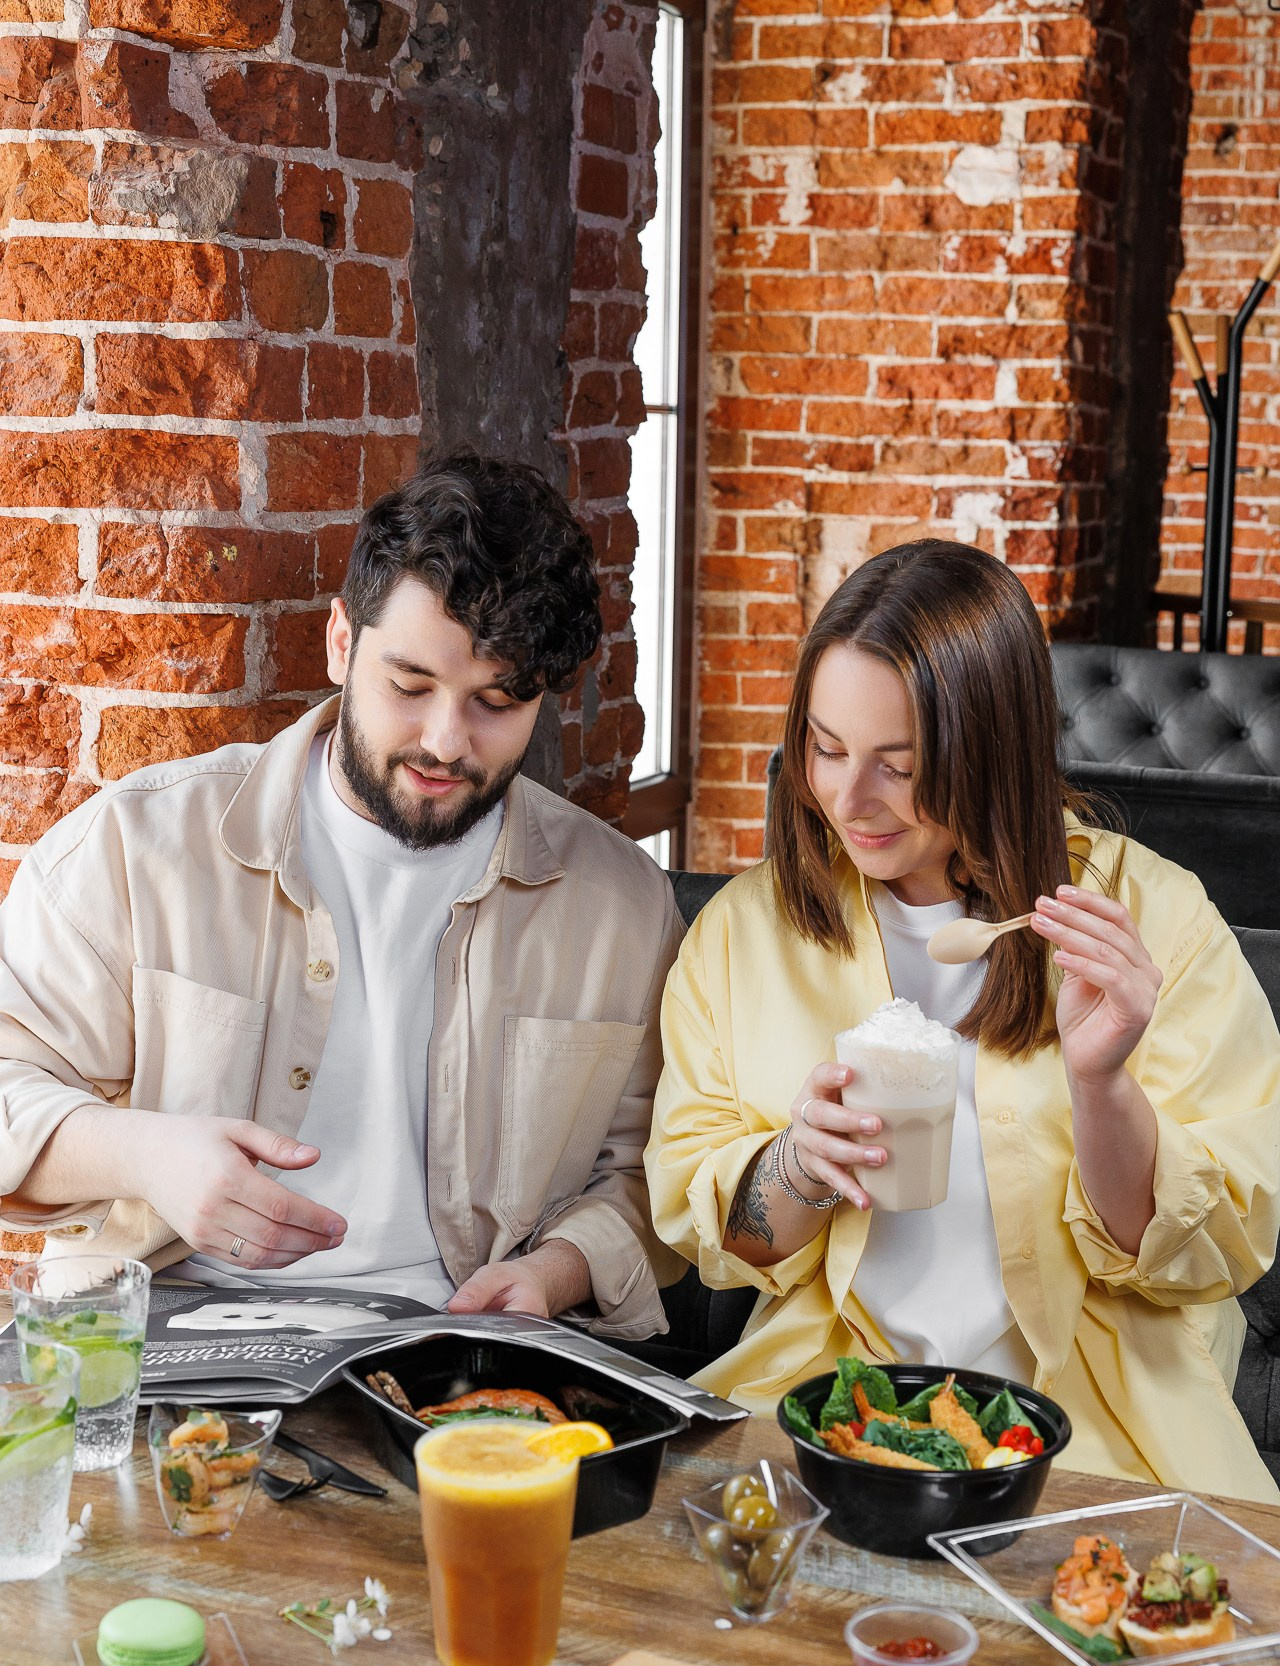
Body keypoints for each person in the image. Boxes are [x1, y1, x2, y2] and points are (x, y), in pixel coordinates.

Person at [646, 539, 1280, 1500]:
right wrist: (799, 1165)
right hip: (827, 1408)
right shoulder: (746, 933)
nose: (848, 801)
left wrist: (1101, 1082)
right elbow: (726, 1242)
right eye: (824, 748)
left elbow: (1198, 1256)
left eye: (899, 766)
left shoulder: (1154, 919)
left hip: (1100, 1430)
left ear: (991, 750)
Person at [0, 452, 683, 1338]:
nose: (445, 739)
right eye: (410, 686)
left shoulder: (620, 904)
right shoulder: (140, 845)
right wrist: (148, 1156)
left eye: (497, 703)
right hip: (160, 1339)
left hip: (460, 1359)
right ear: (339, 643)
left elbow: (651, 1170)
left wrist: (556, 1273)